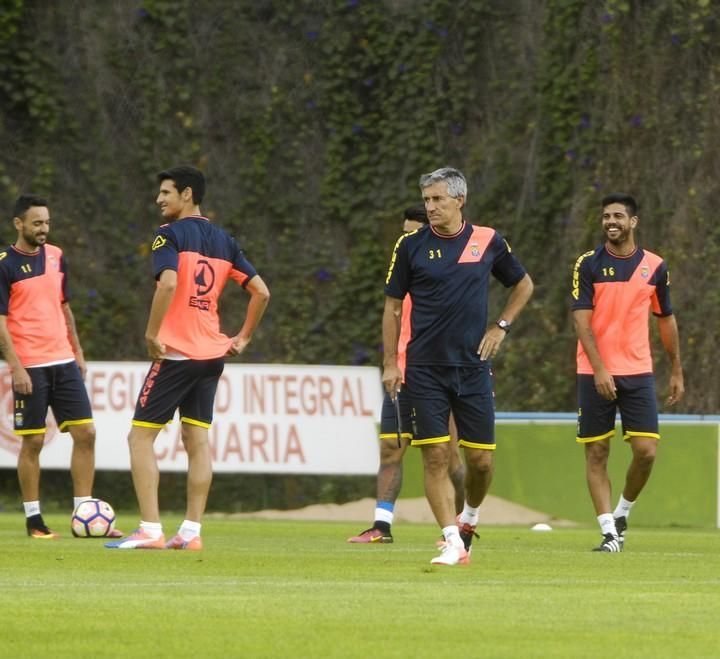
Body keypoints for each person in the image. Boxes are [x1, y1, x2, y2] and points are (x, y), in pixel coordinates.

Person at [106, 165, 270, 550]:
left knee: (140, 438)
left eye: (166, 192)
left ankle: (150, 529)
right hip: (212, 355)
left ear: (188, 194)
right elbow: (261, 292)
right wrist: (243, 337)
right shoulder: (225, 240)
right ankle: (191, 532)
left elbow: (168, 282)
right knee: (197, 440)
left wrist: (151, 333)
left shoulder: (168, 236)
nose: (159, 199)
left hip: (178, 353)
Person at [382, 167, 534, 565]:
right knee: (434, 457)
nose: (430, 206)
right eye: (427, 200)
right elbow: (392, 307)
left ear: (459, 200)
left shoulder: (488, 241)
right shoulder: (410, 246)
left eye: (437, 199)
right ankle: (451, 540)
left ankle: (469, 518)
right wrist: (390, 363)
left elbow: (523, 284)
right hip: (424, 369)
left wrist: (501, 327)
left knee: (481, 461)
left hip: (472, 367)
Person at [0, 194, 122, 539]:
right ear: (18, 224)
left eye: (47, 222)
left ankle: (84, 512)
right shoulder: (4, 263)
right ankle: (34, 520)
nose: (43, 228)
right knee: (34, 442)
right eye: (37, 222)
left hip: (64, 362)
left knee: (87, 434)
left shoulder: (56, 256)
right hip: (31, 366)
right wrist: (17, 367)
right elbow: (1, 322)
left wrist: (78, 352)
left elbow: (64, 307)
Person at [571, 192, 684, 552]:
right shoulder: (587, 264)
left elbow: (666, 320)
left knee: (647, 451)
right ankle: (608, 533)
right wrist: (600, 369)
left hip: (637, 371)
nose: (611, 222)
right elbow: (582, 323)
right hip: (593, 372)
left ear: (633, 222)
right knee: (597, 452)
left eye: (618, 216)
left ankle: (622, 513)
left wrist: (677, 370)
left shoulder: (655, 266)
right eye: (606, 216)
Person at [347, 207, 465, 544]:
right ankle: (381, 526)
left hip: (443, 374)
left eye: (412, 233)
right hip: (403, 373)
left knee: (450, 456)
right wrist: (391, 363)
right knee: (391, 449)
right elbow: (393, 319)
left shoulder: (447, 278)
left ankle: (462, 522)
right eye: (404, 234)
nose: (406, 241)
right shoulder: (400, 278)